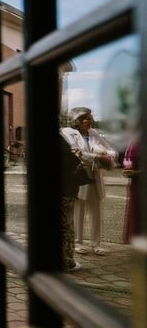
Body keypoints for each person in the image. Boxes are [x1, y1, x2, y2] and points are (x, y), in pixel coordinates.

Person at [60, 107, 117, 256]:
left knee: (96, 212)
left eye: (91, 117)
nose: (90, 120)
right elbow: (76, 153)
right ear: (77, 120)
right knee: (78, 211)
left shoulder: (94, 133)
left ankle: (96, 244)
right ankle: (78, 243)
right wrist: (99, 158)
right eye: (87, 118)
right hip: (80, 177)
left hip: (95, 177)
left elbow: (112, 151)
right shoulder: (68, 132)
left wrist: (105, 155)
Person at [60, 135, 83, 272]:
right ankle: (66, 260)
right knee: (66, 225)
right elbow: (68, 161)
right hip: (65, 189)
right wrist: (76, 156)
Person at [122, 138, 140, 243]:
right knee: (136, 211)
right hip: (136, 184)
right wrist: (127, 170)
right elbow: (128, 159)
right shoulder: (134, 143)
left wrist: (136, 173)